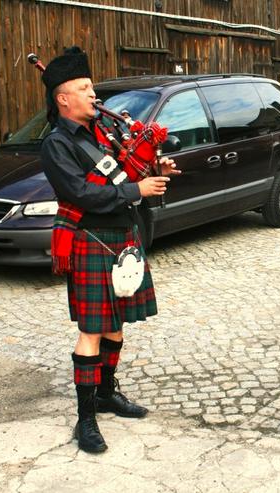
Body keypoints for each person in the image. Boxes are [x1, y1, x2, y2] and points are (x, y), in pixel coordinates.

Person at [39, 47, 180, 453]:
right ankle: (85, 421)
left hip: (123, 237)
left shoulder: (103, 132)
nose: (93, 94)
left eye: (91, 87)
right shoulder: (57, 145)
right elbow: (81, 194)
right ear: (63, 98)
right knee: (91, 330)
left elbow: (128, 172)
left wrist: (156, 172)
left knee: (115, 324)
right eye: (84, 88)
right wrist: (137, 189)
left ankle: (105, 393)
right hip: (90, 240)